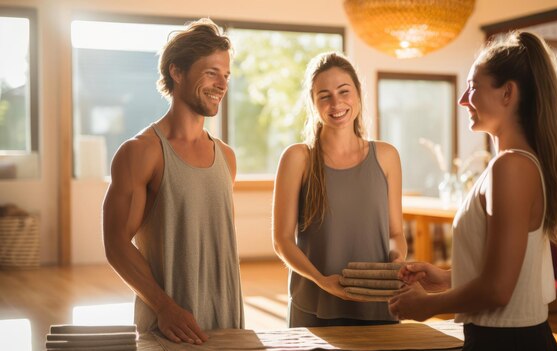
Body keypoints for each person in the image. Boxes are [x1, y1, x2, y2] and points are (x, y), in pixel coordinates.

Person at [388, 31, 557, 350]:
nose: (463, 99)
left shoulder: (512, 167)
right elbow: (508, 272)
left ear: (508, 93)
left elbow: (498, 290)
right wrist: (448, 277)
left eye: (473, 87)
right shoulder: (514, 164)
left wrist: (427, 306)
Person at [102, 18, 243, 344]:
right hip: (170, 327)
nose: (222, 84)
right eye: (211, 72)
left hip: (229, 322)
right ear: (177, 73)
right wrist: (165, 307)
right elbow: (116, 245)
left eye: (226, 75)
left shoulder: (226, 157)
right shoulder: (141, 153)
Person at [272, 52, 407, 327]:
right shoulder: (298, 158)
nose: (336, 103)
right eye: (325, 96)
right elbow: (282, 241)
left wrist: (396, 261)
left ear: (358, 94)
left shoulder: (387, 156)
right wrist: (323, 282)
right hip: (314, 305)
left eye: (344, 91)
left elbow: (395, 233)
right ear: (313, 103)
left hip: (378, 304)